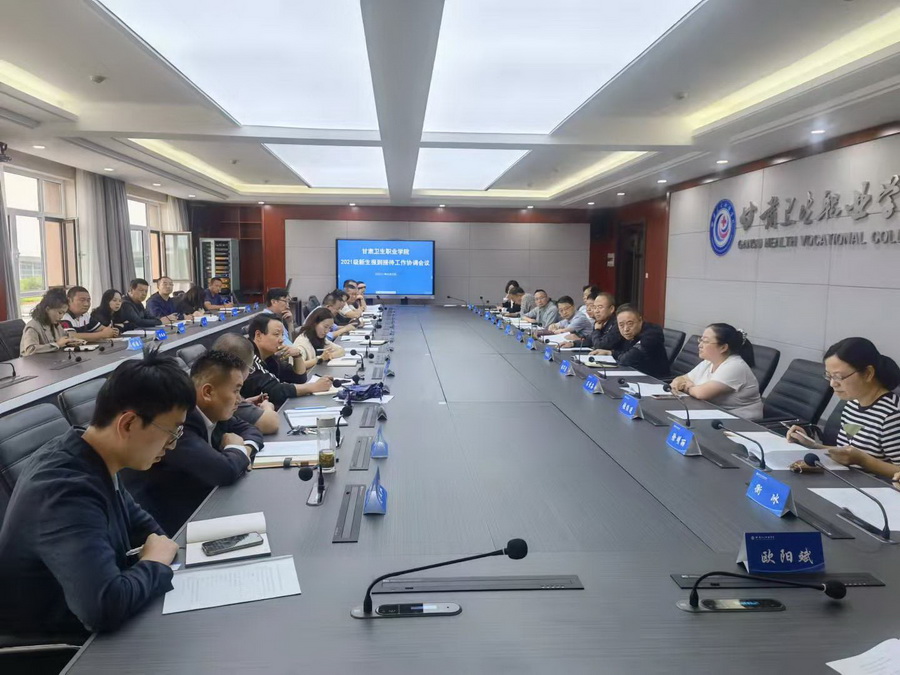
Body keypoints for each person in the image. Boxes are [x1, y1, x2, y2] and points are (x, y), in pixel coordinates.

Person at [0, 349, 194, 634]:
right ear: (128, 423)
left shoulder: (94, 456)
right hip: (61, 645)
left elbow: (150, 532)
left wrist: (157, 553)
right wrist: (154, 562)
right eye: (172, 433)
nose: (173, 445)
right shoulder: (65, 490)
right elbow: (103, 608)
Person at [125, 351, 264, 535]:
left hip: (200, 508)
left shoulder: (217, 412)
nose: (240, 399)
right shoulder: (179, 421)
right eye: (236, 391)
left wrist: (243, 449)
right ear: (208, 392)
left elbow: (252, 431)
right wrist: (236, 448)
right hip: (170, 525)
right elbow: (224, 470)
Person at [788, 338, 900, 479]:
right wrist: (812, 445)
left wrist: (864, 461)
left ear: (868, 373)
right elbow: (847, 454)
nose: (832, 384)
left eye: (838, 377)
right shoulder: (852, 403)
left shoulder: (892, 416)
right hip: (843, 479)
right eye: (829, 376)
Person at [669, 324, 763, 419]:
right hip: (712, 413)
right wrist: (678, 381)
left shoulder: (735, 366)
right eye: (701, 340)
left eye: (705, 341)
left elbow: (701, 393)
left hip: (740, 421)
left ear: (723, 347)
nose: (700, 345)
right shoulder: (709, 361)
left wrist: (686, 387)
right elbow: (684, 378)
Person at [243, 315, 333, 408]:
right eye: (276, 334)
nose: (281, 340)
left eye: (282, 335)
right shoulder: (248, 358)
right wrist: (313, 387)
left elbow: (299, 378)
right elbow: (274, 390)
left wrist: (297, 356)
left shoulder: (271, 357)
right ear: (258, 335)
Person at [211, 333, 280, 434]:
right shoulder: (224, 393)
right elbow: (271, 423)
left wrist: (246, 402)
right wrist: (267, 407)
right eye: (250, 369)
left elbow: (249, 432)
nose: (238, 399)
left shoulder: (209, 377)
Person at [591, 305, 670, 379]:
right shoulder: (627, 333)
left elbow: (626, 359)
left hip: (654, 379)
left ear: (640, 320)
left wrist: (616, 354)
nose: (626, 329)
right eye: (621, 325)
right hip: (633, 374)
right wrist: (610, 353)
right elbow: (623, 352)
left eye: (630, 324)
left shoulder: (652, 334)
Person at [20, 288, 82, 356]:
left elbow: (64, 338)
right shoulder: (33, 326)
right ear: (47, 309)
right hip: (33, 362)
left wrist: (71, 341)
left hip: (50, 359)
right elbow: (30, 350)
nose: (61, 317)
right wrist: (57, 345)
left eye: (63, 314)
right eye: (60, 313)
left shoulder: (55, 324)